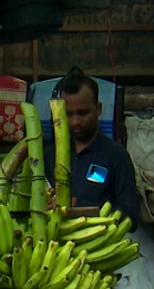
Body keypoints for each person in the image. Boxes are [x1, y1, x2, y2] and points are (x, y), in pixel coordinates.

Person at [46, 71, 140, 222]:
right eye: (68, 114)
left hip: (99, 240)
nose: (75, 121)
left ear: (98, 109)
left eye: (83, 113)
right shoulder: (51, 155)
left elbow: (130, 214)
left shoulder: (116, 155)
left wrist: (80, 206)